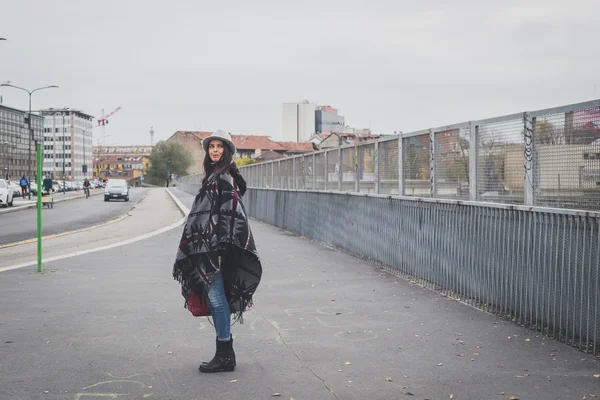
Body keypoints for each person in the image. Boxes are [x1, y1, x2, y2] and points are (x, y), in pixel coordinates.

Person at [173, 130, 262, 373]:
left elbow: (229, 217)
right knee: (216, 298)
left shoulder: (225, 178)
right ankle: (225, 354)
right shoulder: (215, 175)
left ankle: (224, 354)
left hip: (215, 250)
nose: (214, 150)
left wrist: (221, 250)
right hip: (208, 248)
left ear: (227, 151)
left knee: (216, 298)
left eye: (219, 146)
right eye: (211, 146)